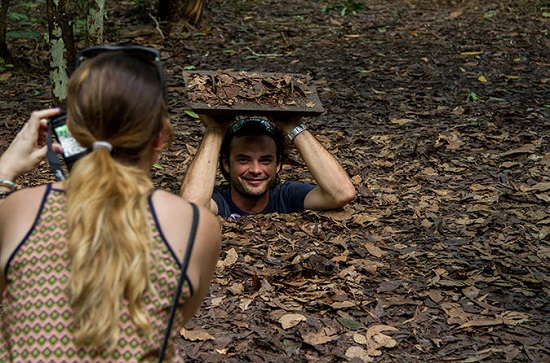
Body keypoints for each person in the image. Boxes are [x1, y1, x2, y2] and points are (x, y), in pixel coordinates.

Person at [0, 47, 221, 362]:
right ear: (159, 137)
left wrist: (5, 170)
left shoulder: (20, 210)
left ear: (70, 132)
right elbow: (175, 318)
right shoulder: (194, 225)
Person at [180, 114, 356, 219]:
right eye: (244, 160)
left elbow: (342, 194)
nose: (256, 170)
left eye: (265, 160)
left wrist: (292, 126)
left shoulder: (285, 197)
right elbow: (190, 207)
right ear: (226, 164)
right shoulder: (220, 202)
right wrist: (216, 130)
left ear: (278, 165)